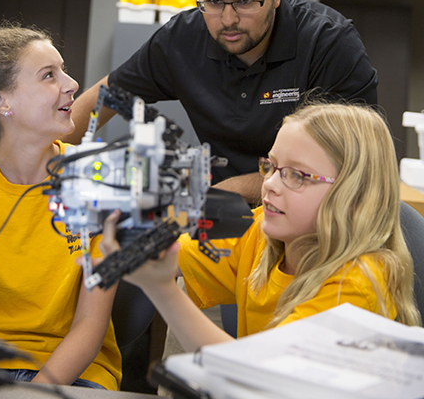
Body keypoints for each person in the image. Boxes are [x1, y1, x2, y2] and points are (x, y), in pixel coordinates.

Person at [65, 0, 378, 203]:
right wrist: (52, 154)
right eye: (213, 1)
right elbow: (110, 93)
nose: (228, 20)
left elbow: (350, 163)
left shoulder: (329, 43)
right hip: (221, 214)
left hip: (312, 216)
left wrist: (234, 190)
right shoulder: (182, 39)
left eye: (245, 1)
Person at [99, 102, 421, 352]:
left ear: (353, 195)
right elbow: (171, 252)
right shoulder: (259, 231)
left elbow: (263, 377)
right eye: (271, 166)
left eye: (296, 175)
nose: (270, 185)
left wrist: (164, 291)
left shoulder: (358, 283)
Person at [0, 24, 121, 389]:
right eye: (49, 75)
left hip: (73, 372)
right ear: (2, 102)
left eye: (63, 70)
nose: (72, 84)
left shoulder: (97, 179)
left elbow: (89, 326)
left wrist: (32, 395)